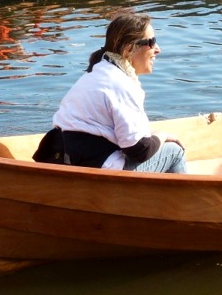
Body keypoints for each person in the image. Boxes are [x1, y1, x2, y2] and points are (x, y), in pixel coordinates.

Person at [44, 10, 187, 173]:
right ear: (128, 49)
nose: (158, 49)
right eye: (152, 42)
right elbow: (139, 150)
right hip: (97, 169)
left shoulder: (99, 70)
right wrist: (163, 135)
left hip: (66, 158)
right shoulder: (121, 84)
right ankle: (189, 198)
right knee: (174, 151)